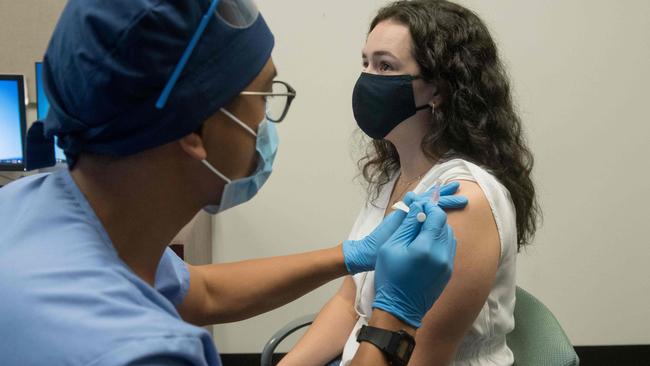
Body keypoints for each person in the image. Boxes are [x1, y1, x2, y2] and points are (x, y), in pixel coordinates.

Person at [0, 1, 468, 365]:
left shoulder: (27, 205)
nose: (267, 119)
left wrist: (349, 256)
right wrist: (395, 318)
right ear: (194, 131)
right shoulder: (140, 352)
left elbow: (199, 292)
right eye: (263, 95)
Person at [280, 1, 540, 365]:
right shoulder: (396, 176)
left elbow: (420, 357)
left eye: (385, 66)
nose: (367, 78)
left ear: (438, 89)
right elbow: (349, 301)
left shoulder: (463, 200)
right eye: (366, 63)